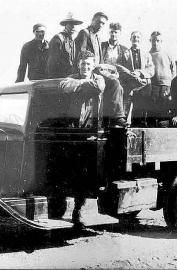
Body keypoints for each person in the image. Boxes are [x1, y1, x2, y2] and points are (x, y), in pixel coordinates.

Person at [60, 50, 127, 229]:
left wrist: (79, 84)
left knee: (84, 173)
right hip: (73, 131)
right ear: (78, 64)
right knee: (68, 171)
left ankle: (78, 211)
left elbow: (98, 87)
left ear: (93, 65)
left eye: (89, 64)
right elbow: (65, 86)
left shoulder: (98, 78)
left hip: (91, 131)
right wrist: (80, 83)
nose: (85, 67)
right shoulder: (70, 77)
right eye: (83, 64)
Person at [122, 31, 155, 125]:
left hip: (143, 85)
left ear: (141, 39)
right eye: (134, 37)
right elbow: (121, 68)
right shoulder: (125, 53)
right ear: (130, 39)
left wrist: (140, 73)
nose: (136, 39)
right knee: (126, 108)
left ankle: (139, 127)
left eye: (138, 37)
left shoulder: (146, 54)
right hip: (129, 84)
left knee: (141, 108)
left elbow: (151, 69)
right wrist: (130, 75)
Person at [149, 31, 175, 121]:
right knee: (153, 105)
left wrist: (172, 82)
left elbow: (173, 68)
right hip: (154, 84)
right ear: (150, 41)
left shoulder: (167, 53)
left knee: (165, 104)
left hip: (166, 84)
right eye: (153, 40)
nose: (155, 42)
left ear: (161, 41)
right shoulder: (148, 54)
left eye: (158, 40)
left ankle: (164, 126)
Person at [47, 13, 83, 79]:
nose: (73, 27)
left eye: (75, 24)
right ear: (66, 25)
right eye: (71, 24)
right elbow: (52, 64)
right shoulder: (58, 39)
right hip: (60, 78)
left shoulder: (73, 40)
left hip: (70, 77)